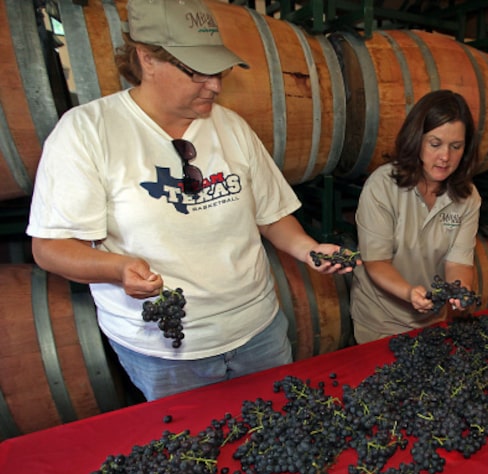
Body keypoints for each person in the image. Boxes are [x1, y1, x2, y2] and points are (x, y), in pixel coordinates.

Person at [25, 0, 353, 401]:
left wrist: (309, 250)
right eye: (197, 72)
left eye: (219, 71)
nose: (214, 85)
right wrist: (118, 268)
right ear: (146, 58)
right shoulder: (88, 132)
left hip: (259, 332)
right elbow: (50, 247)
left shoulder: (231, 126)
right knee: (193, 453)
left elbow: (270, 216)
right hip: (168, 353)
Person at [350, 89, 481, 343]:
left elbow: (459, 263)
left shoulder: (468, 196)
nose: (445, 156)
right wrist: (410, 292)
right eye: (435, 144)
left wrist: (459, 291)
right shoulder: (383, 186)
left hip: (431, 319)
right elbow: (377, 262)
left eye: (456, 147)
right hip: (380, 320)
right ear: (416, 140)